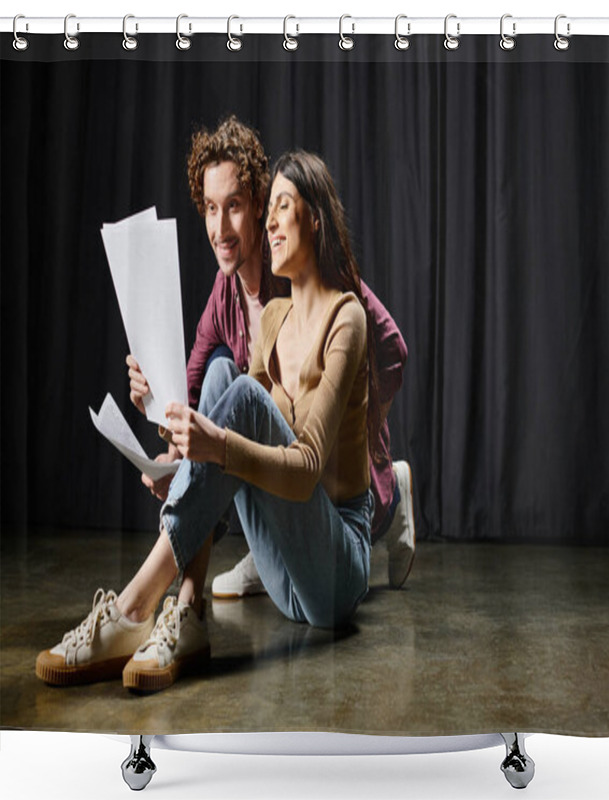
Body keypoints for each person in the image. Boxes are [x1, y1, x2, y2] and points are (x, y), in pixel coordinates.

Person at [36, 152, 383, 692]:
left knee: (235, 393)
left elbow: (307, 467)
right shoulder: (273, 317)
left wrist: (215, 446)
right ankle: (188, 615)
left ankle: (134, 605)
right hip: (284, 569)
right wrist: (172, 447)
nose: (268, 223)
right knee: (223, 377)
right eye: (266, 211)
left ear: (315, 217)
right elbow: (227, 429)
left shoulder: (348, 316)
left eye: (280, 208)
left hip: (335, 569)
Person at [126, 116, 414, 591]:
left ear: (259, 205)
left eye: (234, 206)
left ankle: (393, 487)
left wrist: (363, 433)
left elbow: (392, 350)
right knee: (223, 373)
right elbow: (198, 398)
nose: (221, 228)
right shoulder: (224, 297)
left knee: (250, 402)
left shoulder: (306, 270)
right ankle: (195, 597)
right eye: (211, 209)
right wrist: (165, 430)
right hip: (282, 471)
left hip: (323, 472)